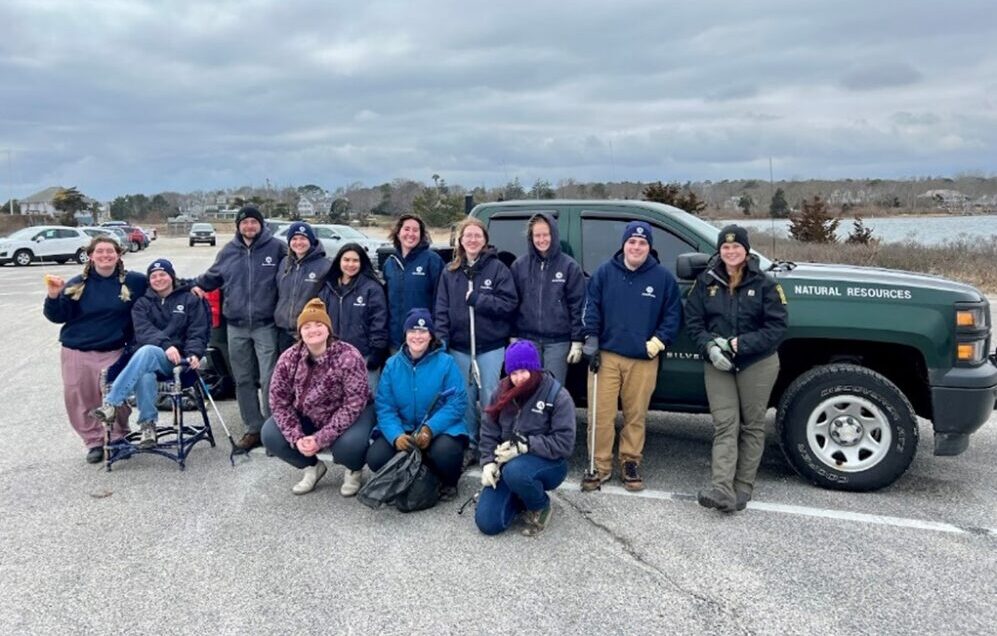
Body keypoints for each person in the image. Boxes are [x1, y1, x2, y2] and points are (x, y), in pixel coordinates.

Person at [685, 225, 788, 513]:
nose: (731, 252)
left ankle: (743, 487)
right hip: (719, 362)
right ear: (719, 250)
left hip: (757, 362)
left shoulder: (765, 283)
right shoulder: (706, 281)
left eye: (736, 247)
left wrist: (743, 343)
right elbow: (693, 321)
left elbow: (777, 326)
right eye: (726, 247)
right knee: (725, 424)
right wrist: (709, 346)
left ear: (746, 250)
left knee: (752, 425)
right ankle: (721, 488)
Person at [580, 220, 682, 492]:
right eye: (632, 241)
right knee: (600, 416)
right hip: (606, 357)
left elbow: (673, 316)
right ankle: (598, 465)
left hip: (643, 359)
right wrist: (591, 340)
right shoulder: (604, 273)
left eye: (642, 242)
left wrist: (657, 342)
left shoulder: (663, 278)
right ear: (623, 244)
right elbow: (590, 308)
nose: (636, 247)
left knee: (635, 416)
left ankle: (630, 462)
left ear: (649, 247)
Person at [42, 236, 148, 463]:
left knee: (116, 396)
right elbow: (57, 316)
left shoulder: (135, 282)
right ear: (91, 256)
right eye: (99, 251)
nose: (105, 255)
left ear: (118, 255)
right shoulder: (77, 284)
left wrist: (195, 288)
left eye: (110, 251)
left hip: (113, 349)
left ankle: (117, 438)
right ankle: (95, 442)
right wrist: (53, 295)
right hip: (77, 350)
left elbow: (164, 283)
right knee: (81, 398)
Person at [192, 206, 287, 451]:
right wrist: (189, 286)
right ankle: (253, 429)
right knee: (243, 379)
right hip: (236, 326)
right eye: (244, 223)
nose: (249, 226)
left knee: (269, 378)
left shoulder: (277, 248)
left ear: (261, 224)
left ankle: (273, 431)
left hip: (266, 325)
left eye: (254, 222)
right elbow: (210, 278)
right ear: (238, 226)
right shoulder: (228, 251)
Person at [262, 298, 375, 496]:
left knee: (349, 446)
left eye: (319, 324)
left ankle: (353, 469)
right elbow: (279, 402)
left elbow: (353, 404)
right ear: (300, 332)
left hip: (351, 415)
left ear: (328, 329)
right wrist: (297, 437)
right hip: (309, 415)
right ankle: (312, 467)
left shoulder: (348, 356)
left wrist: (320, 438)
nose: (313, 330)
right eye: (307, 326)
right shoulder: (288, 358)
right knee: (270, 434)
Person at [91, 260, 209, 449]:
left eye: (163, 274)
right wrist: (165, 345)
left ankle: (112, 402)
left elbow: (198, 331)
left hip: (176, 361)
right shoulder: (142, 304)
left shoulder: (189, 300)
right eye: (153, 276)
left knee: (147, 351)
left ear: (172, 276)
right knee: (145, 373)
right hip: (148, 359)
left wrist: (194, 353)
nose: (158, 279)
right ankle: (148, 426)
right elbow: (144, 331)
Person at [434, 217, 518, 457]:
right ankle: (470, 443)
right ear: (461, 240)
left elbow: (509, 304)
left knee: (490, 396)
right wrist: (442, 339)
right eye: (468, 236)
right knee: (465, 398)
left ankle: (489, 445)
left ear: (485, 240)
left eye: (477, 236)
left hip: (490, 346)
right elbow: (441, 308)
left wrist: (479, 300)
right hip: (459, 347)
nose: (472, 240)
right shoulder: (450, 272)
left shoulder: (498, 269)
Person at [475, 341, 576, 537]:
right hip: (507, 463)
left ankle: (540, 505)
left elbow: (564, 443)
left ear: (534, 369)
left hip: (548, 463)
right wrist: (488, 462)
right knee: (488, 523)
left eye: (523, 371)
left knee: (516, 471)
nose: (518, 378)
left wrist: (525, 446)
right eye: (513, 373)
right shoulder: (501, 391)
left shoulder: (557, 395)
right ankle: (519, 496)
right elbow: (489, 430)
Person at [370, 309, 468, 501]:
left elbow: (457, 401)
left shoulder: (446, 363)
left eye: (423, 331)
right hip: (404, 428)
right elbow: (385, 407)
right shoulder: (391, 365)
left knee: (446, 452)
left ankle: (446, 481)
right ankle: (406, 480)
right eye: (412, 331)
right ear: (405, 334)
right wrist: (396, 435)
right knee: (376, 457)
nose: (417, 336)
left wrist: (430, 428)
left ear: (431, 336)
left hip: (439, 430)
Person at [509, 213, 586, 385]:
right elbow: (513, 304)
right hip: (527, 340)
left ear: (554, 235)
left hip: (558, 342)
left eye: (546, 234)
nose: (541, 239)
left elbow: (577, 306)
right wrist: (513, 335)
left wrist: (577, 340)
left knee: (552, 389)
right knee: (528, 389)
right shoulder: (520, 266)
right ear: (531, 237)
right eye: (537, 235)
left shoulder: (569, 267)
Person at [319, 242, 388, 392]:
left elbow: (379, 321)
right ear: (339, 261)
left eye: (355, 260)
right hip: (334, 354)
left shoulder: (372, 288)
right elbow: (320, 319)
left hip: (363, 354)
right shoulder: (328, 287)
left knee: (366, 397)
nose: (350, 264)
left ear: (362, 263)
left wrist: (377, 350)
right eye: (346, 260)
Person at [382, 214, 444, 352]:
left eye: (415, 230)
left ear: (421, 235)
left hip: (423, 340)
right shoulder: (390, 263)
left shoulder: (432, 261)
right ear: (398, 233)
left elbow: (441, 301)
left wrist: (438, 335)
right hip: (396, 342)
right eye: (406, 229)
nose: (411, 234)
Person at [275, 221, 330, 353]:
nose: (298, 242)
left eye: (303, 238)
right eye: (294, 239)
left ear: (311, 240)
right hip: (284, 331)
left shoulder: (325, 266)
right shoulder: (284, 263)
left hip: (310, 332)